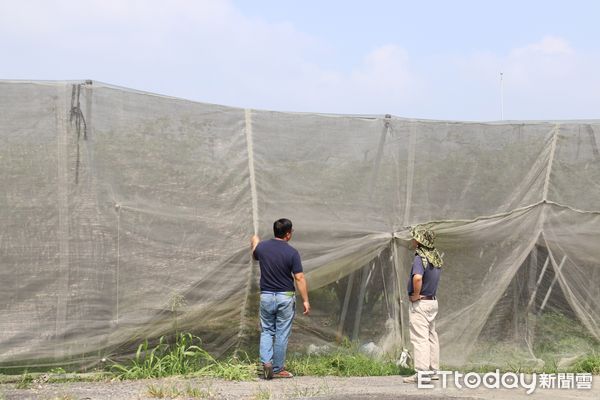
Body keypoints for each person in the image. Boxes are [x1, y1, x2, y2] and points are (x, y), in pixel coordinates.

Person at [251, 218, 310, 380]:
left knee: (267, 331)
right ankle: (277, 368)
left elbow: (255, 255)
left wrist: (255, 242)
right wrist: (305, 300)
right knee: (281, 333)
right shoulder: (292, 253)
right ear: (288, 234)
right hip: (285, 297)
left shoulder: (262, 248)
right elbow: (299, 277)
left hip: (267, 296)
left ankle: (266, 363)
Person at [403, 226, 444, 384]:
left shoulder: (420, 257)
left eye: (415, 237)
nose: (413, 240)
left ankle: (422, 373)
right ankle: (434, 371)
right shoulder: (436, 257)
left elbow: (418, 278)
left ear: (420, 241)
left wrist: (415, 295)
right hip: (432, 302)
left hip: (421, 303)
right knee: (431, 336)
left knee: (420, 338)